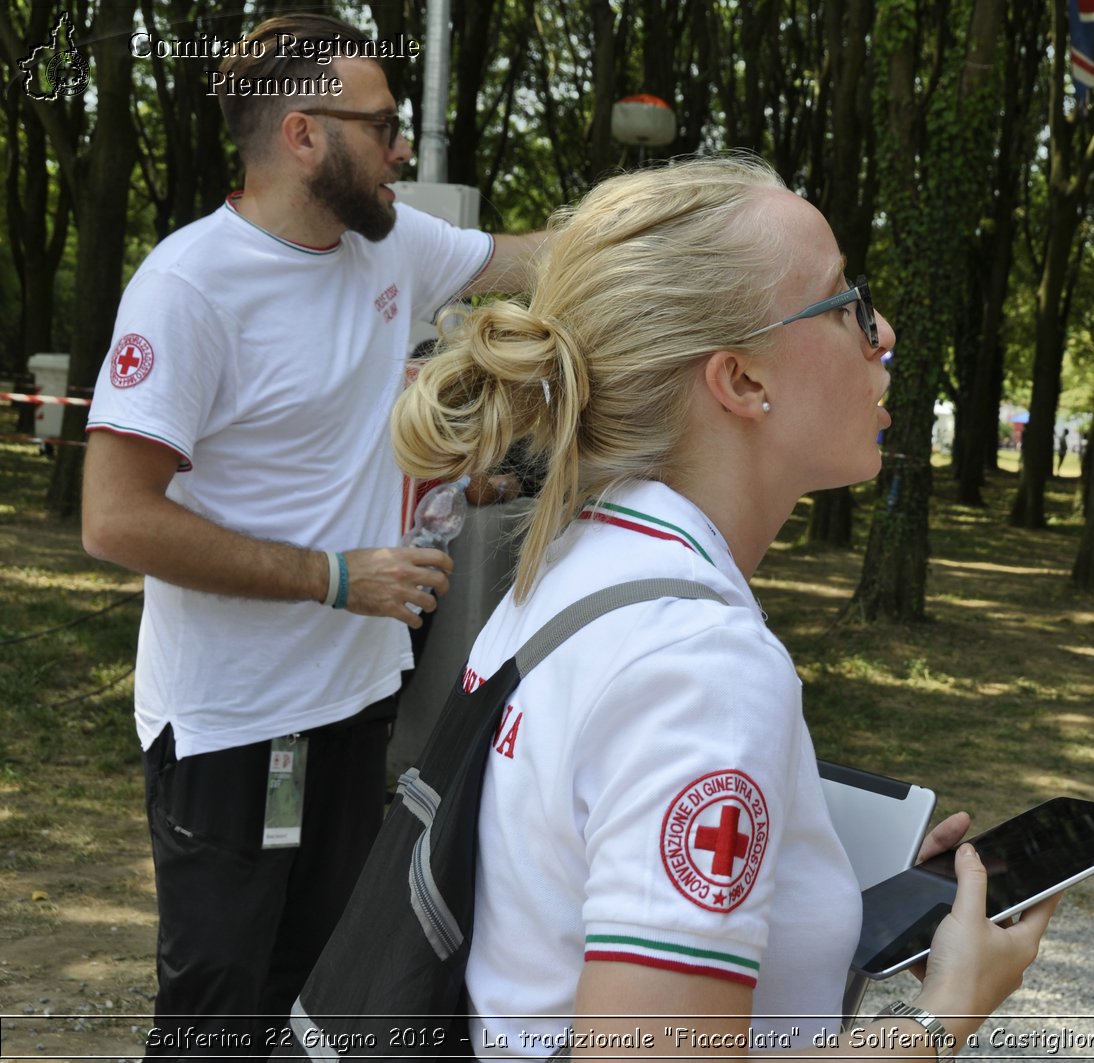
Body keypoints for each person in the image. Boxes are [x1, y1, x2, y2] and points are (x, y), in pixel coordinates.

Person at [390, 155, 1058, 1058]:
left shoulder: (581, 563)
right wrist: (942, 1017)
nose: (884, 331)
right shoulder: (698, 661)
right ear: (741, 381)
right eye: (846, 303)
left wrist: (809, 875)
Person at [78, 14, 547, 1056]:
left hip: (356, 707)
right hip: (233, 726)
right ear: (302, 135)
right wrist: (337, 577)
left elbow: (534, 260)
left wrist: (688, 230)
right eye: (381, 125)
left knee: (320, 992)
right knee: (216, 1014)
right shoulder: (189, 287)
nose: (401, 149)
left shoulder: (395, 244)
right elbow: (115, 518)